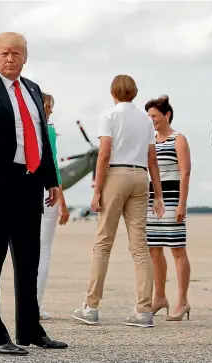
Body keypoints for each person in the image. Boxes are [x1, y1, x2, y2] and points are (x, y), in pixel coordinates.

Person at [0, 32, 68, 356]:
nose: (11, 59)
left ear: (25, 56)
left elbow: (41, 140)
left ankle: (30, 329)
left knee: (28, 263)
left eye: (17, 54)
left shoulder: (33, 90)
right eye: (5, 53)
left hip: (27, 184)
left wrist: (51, 181)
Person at [73, 74, 165, 328]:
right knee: (139, 246)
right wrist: (158, 194)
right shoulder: (146, 121)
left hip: (116, 174)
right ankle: (144, 311)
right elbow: (152, 159)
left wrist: (97, 189)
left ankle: (91, 306)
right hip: (140, 176)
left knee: (103, 243)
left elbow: (104, 154)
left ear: (113, 92)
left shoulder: (109, 116)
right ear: (134, 93)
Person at [145, 95, 192, 321]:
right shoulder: (151, 140)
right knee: (154, 250)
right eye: (149, 116)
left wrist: (182, 203)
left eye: (154, 116)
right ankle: (160, 297)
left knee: (177, 250)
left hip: (173, 201)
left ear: (167, 115)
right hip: (153, 202)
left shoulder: (178, 139)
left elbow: (185, 172)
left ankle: (182, 301)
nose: (151, 120)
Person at [37, 93, 70, 320]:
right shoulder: (48, 130)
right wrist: (64, 204)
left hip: (25, 191)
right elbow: (53, 165)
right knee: (44, 251)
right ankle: (35, 305)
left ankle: (26, 304)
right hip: (46, 193)